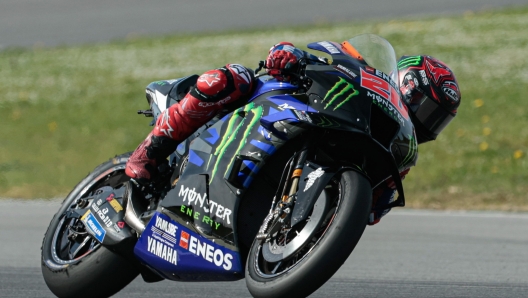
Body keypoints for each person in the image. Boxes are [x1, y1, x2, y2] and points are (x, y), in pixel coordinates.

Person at [124, 41, 461, 225]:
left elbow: (371, 213)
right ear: (405, 84)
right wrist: (288, 55)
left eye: (436, 119)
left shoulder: (398, 154)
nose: (426, 122)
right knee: (232, 77)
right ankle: (148, 153)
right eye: (425, 108)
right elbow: (311, 52)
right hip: (279, 103)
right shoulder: (362, 77)